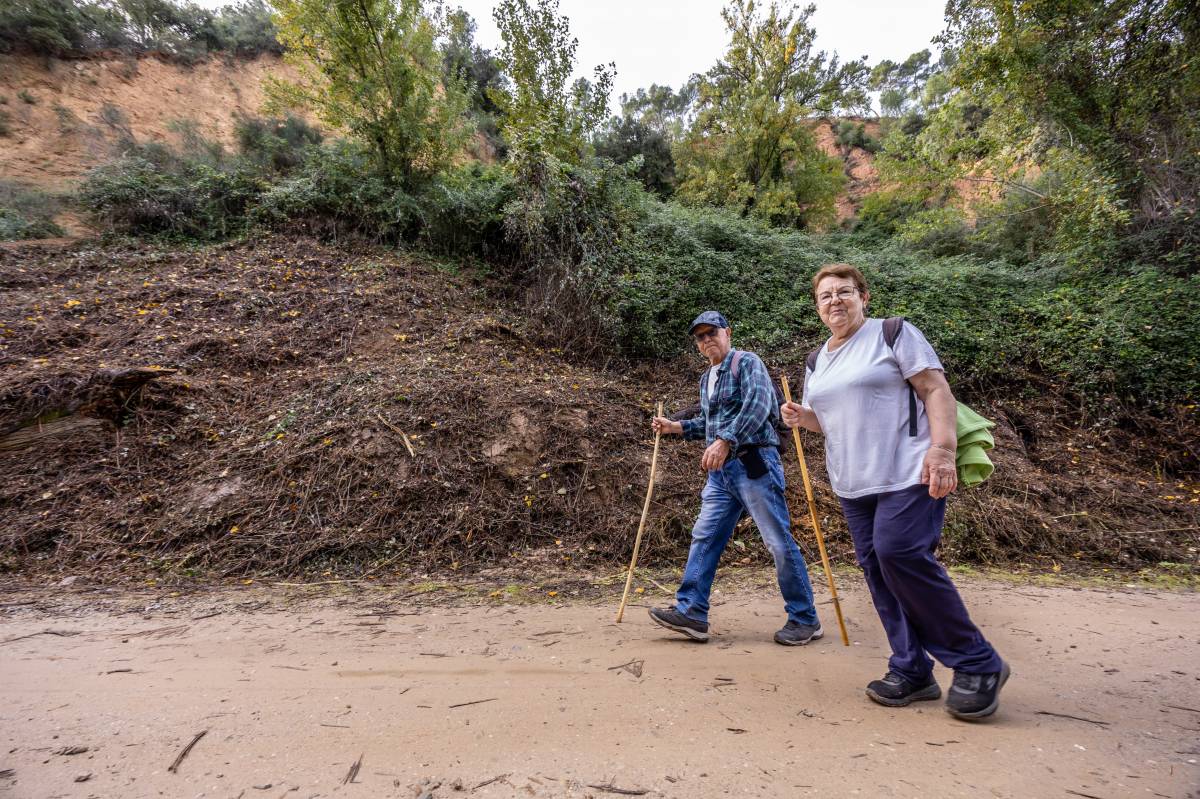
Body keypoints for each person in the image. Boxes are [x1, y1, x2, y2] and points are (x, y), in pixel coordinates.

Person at [781, 263, 1009, 721]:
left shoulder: (893, 334)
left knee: (900, 554)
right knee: (879, 571)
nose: (835, 301)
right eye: (825, 296)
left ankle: (978, 662)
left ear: (864, 296)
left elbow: (934, 389)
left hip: (907, 471)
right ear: (817, 308)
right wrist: (800, 417)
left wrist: (942, 450)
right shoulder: (816, 360)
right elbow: (827, 420)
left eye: (844, 292)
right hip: (853, 482)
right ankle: (911, 668)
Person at [648, 311, 822, 646]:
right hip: (721, 474)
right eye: (700, 337)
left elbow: (758, 407)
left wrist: (726, 441)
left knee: (776, 541)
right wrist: (677, 427)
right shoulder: (706, 380)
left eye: (711, 332)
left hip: (754, 463)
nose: (706, 340)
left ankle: (805, 619)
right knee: (705, 536)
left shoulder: (746, 363)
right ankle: (692, 613)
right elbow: (710, 426)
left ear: (727, 333)